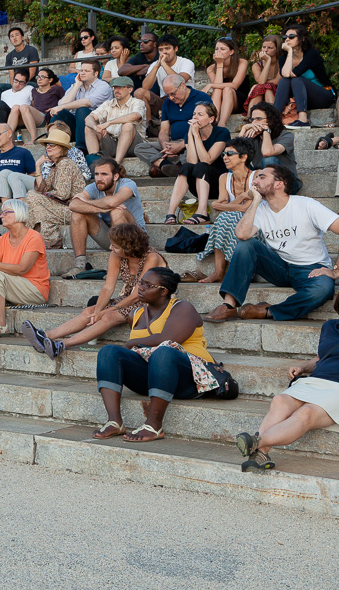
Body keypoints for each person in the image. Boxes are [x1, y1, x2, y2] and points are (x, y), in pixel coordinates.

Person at [92, 268, 219, 443]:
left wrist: (130, 344)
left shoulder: (183, 308)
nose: (141, 288)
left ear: (163, 291)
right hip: (155, 377)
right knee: (108, 352)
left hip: (191, 378)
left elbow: (169, 339)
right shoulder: (134, 314)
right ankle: (114, 422)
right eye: (140, 283)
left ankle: (154, 425)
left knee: (164, 352)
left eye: (147, 285)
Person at [205, 165, 339, 324]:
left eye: (261, 177)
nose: (254, 181)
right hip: (279, 267)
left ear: (279, 184)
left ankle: (268, 311)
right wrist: (255, 202)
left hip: (310, 268)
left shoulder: (306, 205)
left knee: (322, 289)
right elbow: (242, 234)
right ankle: (229, 304)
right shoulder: (260, 209)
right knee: (247, 244)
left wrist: (336, 271)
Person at [22, 223, 165, 359]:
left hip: (150, 301)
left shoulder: (151, 257)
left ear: (128, 247)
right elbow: (108, 287)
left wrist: (104, 313)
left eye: (115, 246)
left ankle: (61, 345)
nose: (110, 248)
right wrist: (97, 311)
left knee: (108, 317)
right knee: (89, 311)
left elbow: (137, 295)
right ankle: (45, 335)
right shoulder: (116, 255)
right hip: (128, 298)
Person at [234, 318, 339, 472]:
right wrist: (302, 368)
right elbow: (321, 358)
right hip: (317, 380)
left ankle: (257, 443)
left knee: (306, 413)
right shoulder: (330, 326)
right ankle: (261, 454)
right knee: (280, 401)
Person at [181, 137, 257, 284]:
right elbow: (216, 205)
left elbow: (245, 208)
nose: (225, 157)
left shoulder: (256, 175)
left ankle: (229, 271)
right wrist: (241, 197)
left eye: (229, 154)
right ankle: (219, 272)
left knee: (227, 217)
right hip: (232, 221)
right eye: (223, 154)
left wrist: (226, 206)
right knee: (226, 218)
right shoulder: (224, 177)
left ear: (244, 157)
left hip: (255, 222)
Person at [0, 200, 49, 333]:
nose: (1, 216)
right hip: (13, 286)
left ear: (19, 214)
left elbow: (22, 268)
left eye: (6, 213)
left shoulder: (34, 237)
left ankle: (0, 325)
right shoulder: (1, 240)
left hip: (34, 289)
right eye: (1, 213)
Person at [64, 158, 145, 277]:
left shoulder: (128, 184)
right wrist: (101, 208)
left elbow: (113, 202)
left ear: (116, 176)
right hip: (111, 236)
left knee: (117, 211)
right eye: (96, 174)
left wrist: (87, 201)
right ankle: (80, 266)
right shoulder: (94, 187)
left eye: (104, 174)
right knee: (78, 213)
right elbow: (73, 205)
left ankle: (123, 267)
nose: (99, 178)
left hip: (135, 237)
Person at [18, 130, 88, 248]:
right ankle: (49, 240)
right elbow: (41, 189)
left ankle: (23, 237)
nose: (48, 147)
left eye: (52, 145)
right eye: (47, 145)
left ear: (61, 148)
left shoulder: (65, 164)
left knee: (32, 197)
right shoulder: (56, 166)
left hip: (72, 210)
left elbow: (62, 194)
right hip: (61, 207)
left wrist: (40, 196)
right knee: (35, 203)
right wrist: (37, 167)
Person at [162, 102, 230, 225]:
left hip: (218, 183)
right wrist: (190, 134)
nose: (195, 118)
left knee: (202, 166)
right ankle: (170, 212)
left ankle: (202, 212)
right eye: (194, 114)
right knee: (187, 166)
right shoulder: (192, 134)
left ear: (211, 119)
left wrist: (196, 136)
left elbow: (207, 160)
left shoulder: (222, 133)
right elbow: (192, 161)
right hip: (199, 185)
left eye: (200, 114)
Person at [132, 74, 211, 176]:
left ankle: (173, 167)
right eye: (168, 95)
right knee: (140, 148)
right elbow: (164, 130)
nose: (171, 98)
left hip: (194, 140)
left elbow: (207, 127)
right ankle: (167, 165)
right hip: (173, 142)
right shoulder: (167, 103)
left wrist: (182, 144)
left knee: (195, 147)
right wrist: (165, 145)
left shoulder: (201, 97)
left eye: (173, 94)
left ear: (182, 86)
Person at [275, 24, 333, 129]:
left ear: (302, 38)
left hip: (323, 95)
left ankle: (303, 120)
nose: (287, 39)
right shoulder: (283, 58)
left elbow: (293, 74)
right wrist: (289, 53)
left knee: (297, 79)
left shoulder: (311, 54)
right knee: (284, 81)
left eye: (291, 37)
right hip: (301, 99)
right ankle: (275, 119)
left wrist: (289, 52)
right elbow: (285, 75)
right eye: (285, 37)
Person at [48, 60, 112, 150]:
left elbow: (87, 102)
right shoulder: (76, 85)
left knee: (82, 109)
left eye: (87, 71)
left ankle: (81, 148)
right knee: (60, 113)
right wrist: (77, 86)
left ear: (96, 73)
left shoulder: (103, 86)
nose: (82, 73)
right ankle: (52, 143)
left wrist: (62, 106)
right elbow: (61, 104)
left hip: (95, 128)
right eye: (81, 70)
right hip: (76, 127)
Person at [82, 75, 145, 163]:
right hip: (112, 143)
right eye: (115, 88)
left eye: (120, 88)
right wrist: (96, 127)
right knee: (89, 128)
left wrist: (109, 123)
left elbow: (135, 116)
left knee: (128, 125)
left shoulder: (137, 102)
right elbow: (88, 118)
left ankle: (116, 164)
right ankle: (95, 163)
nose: (116, 90)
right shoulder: (108, 103)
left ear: (130, 89)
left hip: (134, 145)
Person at [203, 37, 249, 128]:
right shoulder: (211, 68)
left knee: (227, 89)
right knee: (218, 89)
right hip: (220, 102)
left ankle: (222, 124)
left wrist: (210, 85)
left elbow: (235, 85)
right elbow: (217, 88)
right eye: (216, 49)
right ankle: (214, 121)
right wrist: (220, 65)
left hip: (238, 100)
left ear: (231, 52)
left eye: (222, 49)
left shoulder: (242, 63)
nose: (218, 52)